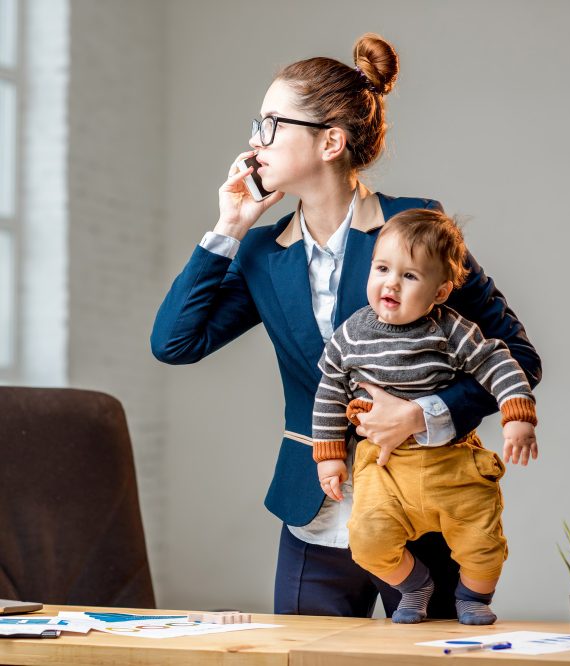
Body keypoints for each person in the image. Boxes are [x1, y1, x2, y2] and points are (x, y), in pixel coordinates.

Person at [151, 32, 542, 618]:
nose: (254, 143)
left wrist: (425, 414)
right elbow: (174, 343)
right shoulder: (262, 253)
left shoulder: (415, 228)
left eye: (270, 124)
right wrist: (229, 226)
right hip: (317, 511)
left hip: (424, 505)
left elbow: (517, 356)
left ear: (330, 140)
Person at [312, 209, 538, 625]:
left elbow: (499, 361)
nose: (391, 283)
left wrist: (517, 413)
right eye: (382, 268)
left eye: (410, 276)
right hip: (384, 467)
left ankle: (471, 598)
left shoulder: (451, 330)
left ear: (440, 292)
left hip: (452, 461)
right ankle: (414, 585)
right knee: (367, 539)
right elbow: (329, 390)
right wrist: (327, 455)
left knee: (483, 541)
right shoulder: (351, 334)